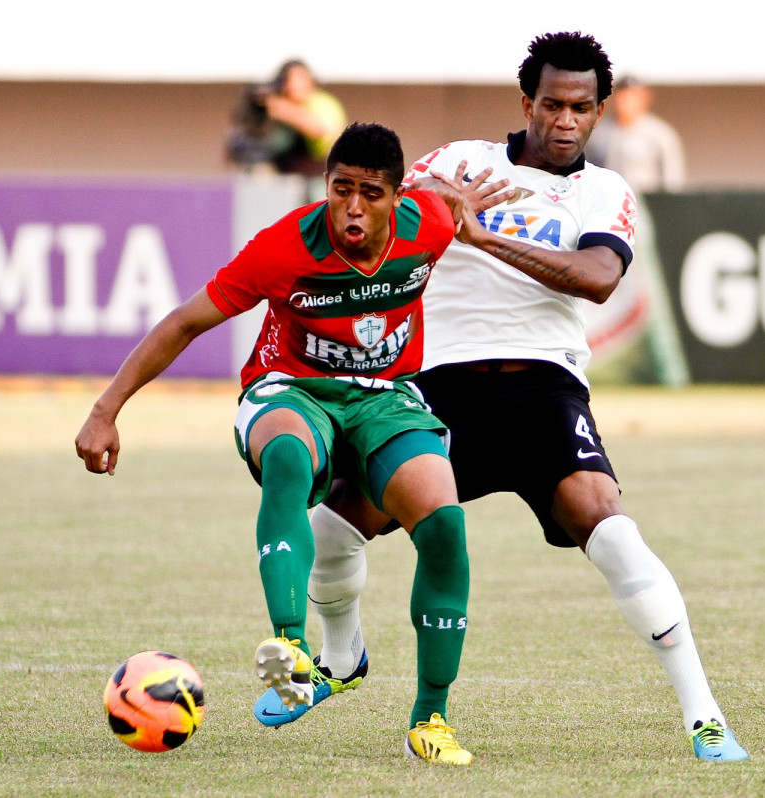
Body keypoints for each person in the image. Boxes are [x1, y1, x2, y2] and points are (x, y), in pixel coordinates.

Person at [254, 31, 749, 763]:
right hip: (437, 390)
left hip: (543, 391)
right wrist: (424, 210)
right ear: (528, 102)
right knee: (331, 530)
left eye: (582, 107)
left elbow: (596, 277)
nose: (566, 120)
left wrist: (480, 235)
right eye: (553, 104)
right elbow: (381, 212)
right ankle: (340, 658)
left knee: (610, 528)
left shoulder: (602, 191)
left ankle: (704, 716)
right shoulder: (457, 162)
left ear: (600, 111)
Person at [76, 122, 476, 766]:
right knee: (288, 458)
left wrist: (449, 196)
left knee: (445, 526)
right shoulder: (284, 248)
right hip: (292, 388)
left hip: (385, 395)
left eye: (370, 193)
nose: (351, 206)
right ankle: (291, 651)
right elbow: (185, 322)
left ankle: (431, 718)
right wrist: (105, 410)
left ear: (396, 196)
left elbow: (443, 200)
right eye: (339, 188)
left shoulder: (427, 223)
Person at [225, 59, 347, 177]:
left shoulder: (319, 101)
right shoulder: (288, 105)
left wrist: (279, 107)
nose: (290, 86)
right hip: (286, 177)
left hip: (317, 174)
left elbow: (319, 130)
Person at [585, 74, 685, 193]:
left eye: (631, 97)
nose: (625, 102)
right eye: (621, 96)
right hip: (608, 200)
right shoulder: (598, 132)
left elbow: (672, 178)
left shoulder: (659, 133)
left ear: (644, 98)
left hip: (645, 202)